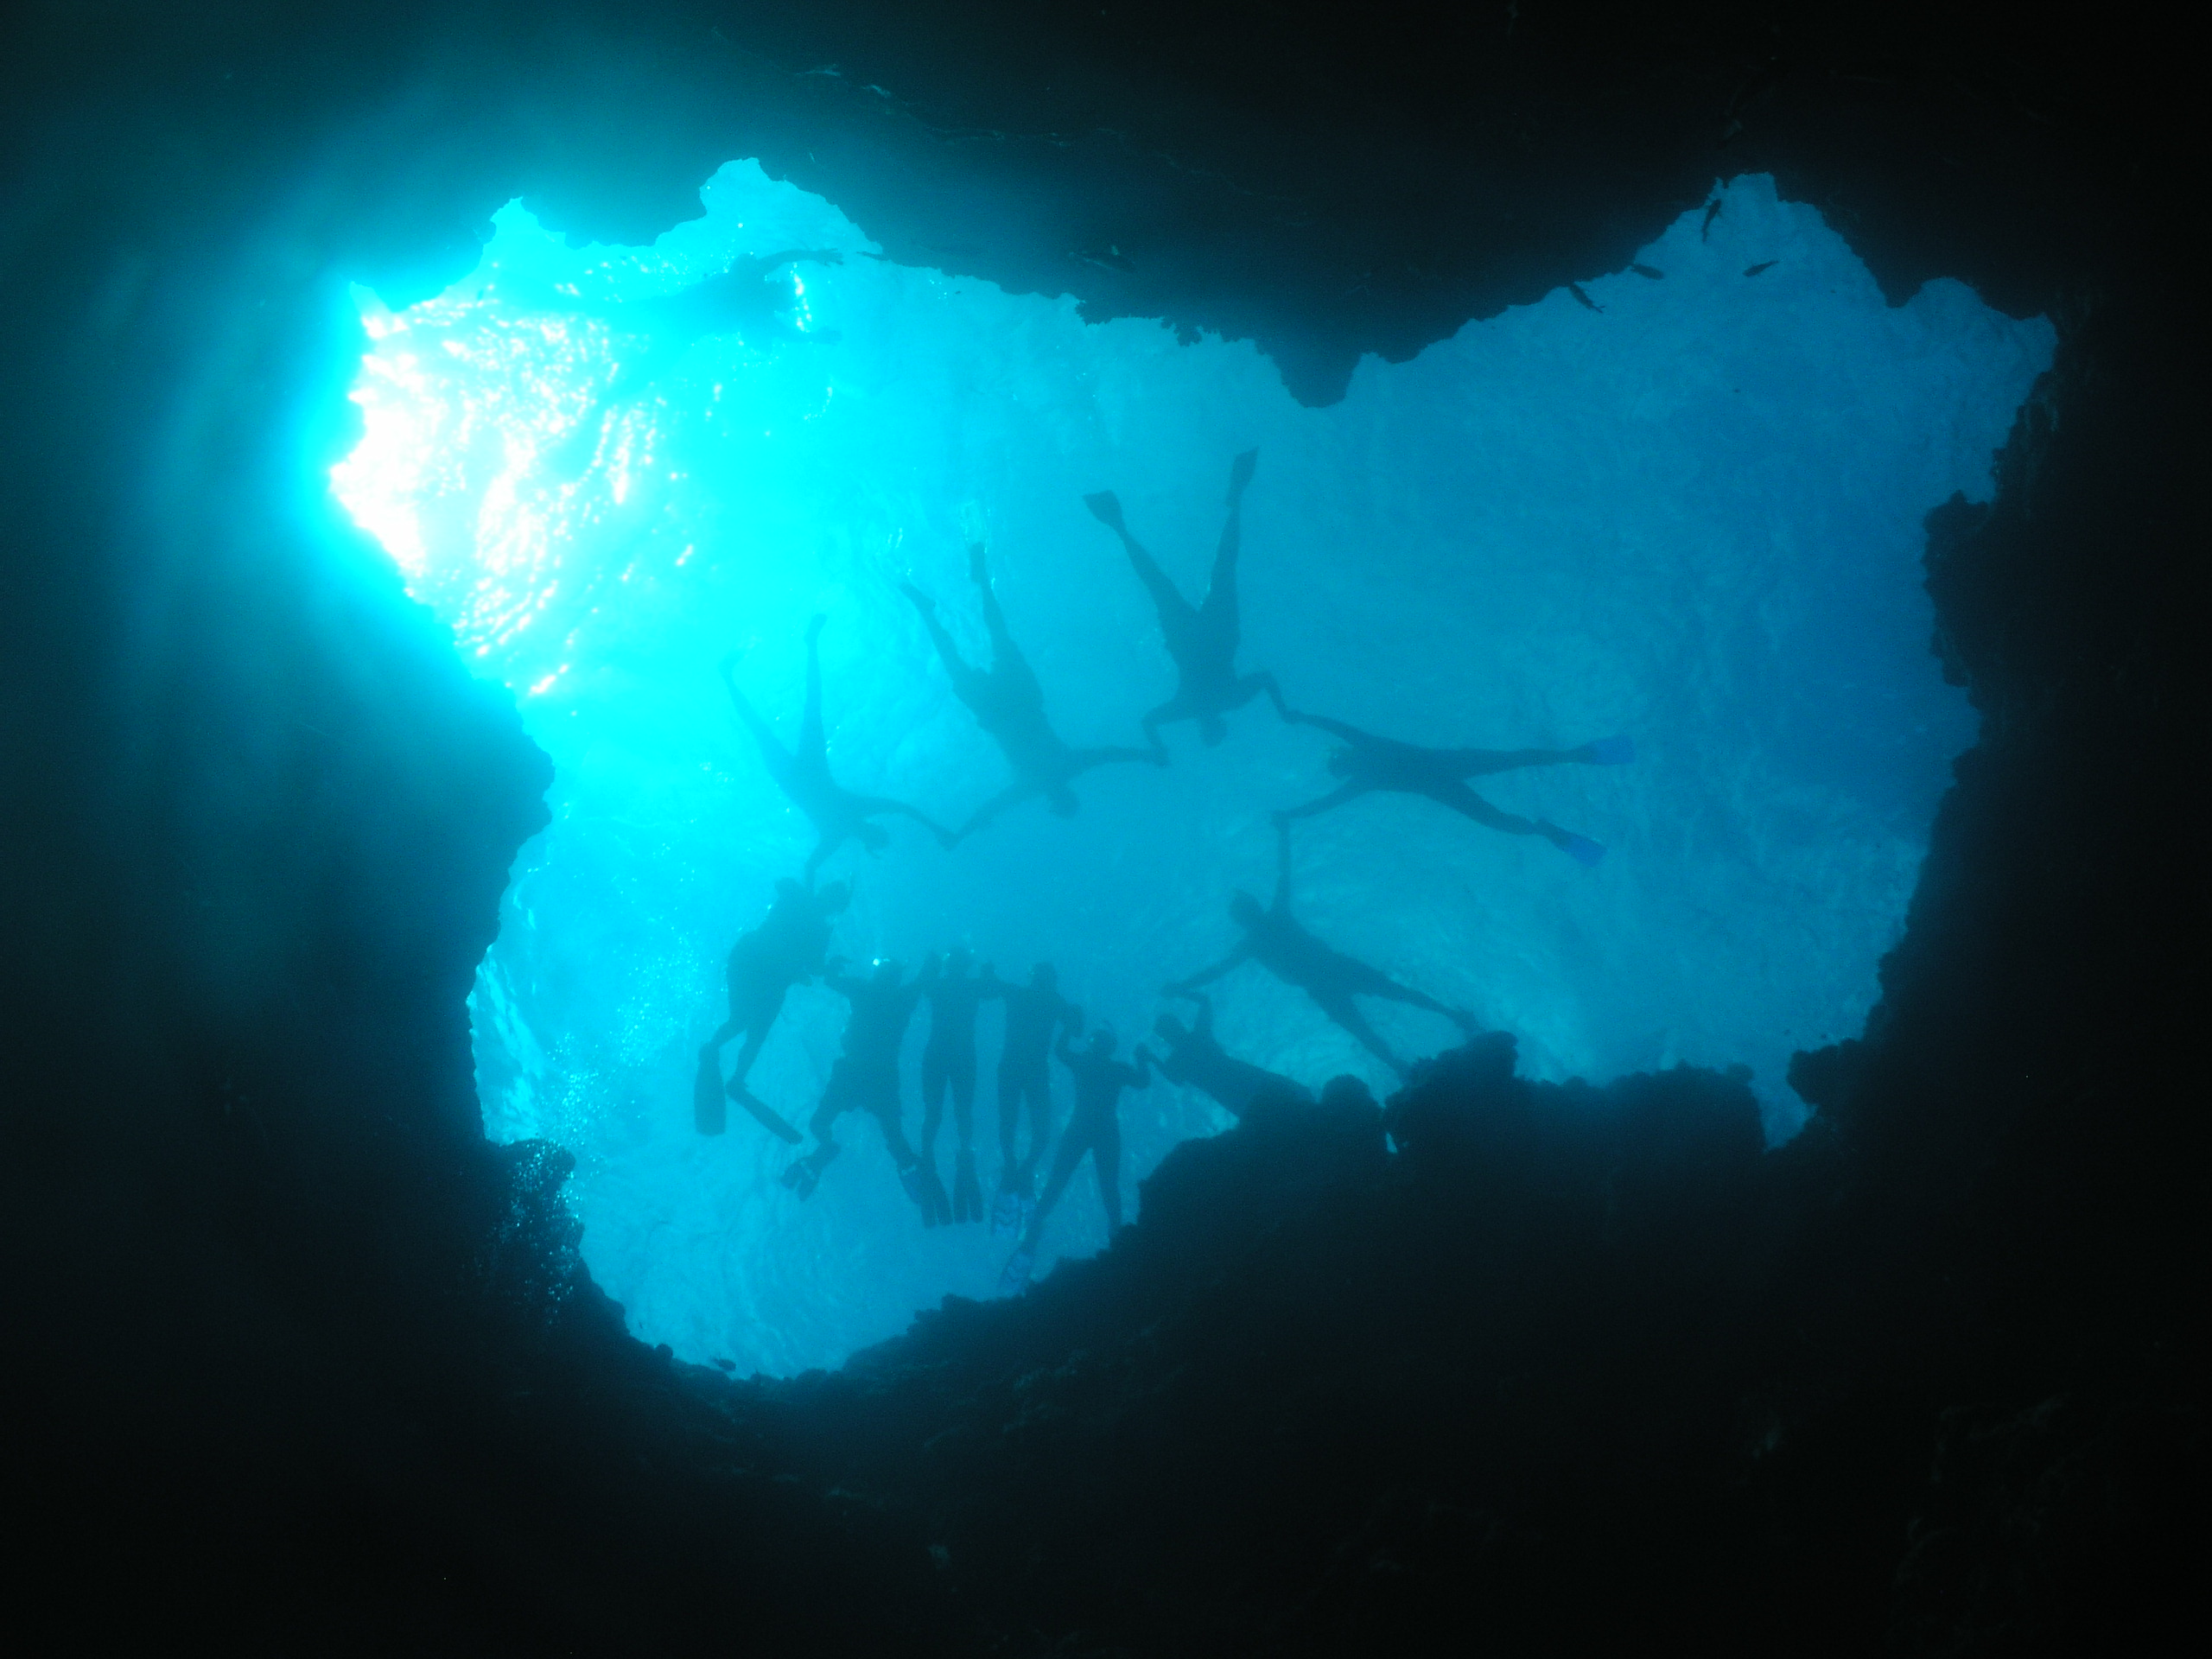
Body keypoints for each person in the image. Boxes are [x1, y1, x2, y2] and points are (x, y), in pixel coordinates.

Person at [1166, 822, 1474, 1079]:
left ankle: (1413, 1052)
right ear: (1250, 913)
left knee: (1374, 1016)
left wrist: (1183, 986)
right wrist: (1284, 833)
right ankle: (1437, 1030)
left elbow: (1218, 969)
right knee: (1385, 1005)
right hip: (1332, 972)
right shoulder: (1270, 923)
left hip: (1328, 976)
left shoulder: (1260, 934)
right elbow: (1283, 876)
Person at [901, 543, 1158, 841]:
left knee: (977, 648)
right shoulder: (1053, 775)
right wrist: (1145, 755)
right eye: (1059, 802)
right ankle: (959, 591)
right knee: (971, 652)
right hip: (1012, 705)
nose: (1054, 798)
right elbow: (1111, 755)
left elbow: (992, 809)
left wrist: (1146, 755)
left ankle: (942, 601)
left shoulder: (1047, 778)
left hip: (1008, 707)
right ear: (1062, 798)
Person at [525, 248, 845, 473]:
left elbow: (780, 261)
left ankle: (543, 301)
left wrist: (814, 255)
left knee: (603, 313)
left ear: (776, 290)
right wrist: (814, 336)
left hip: (669, 314)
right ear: (780, 303)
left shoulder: (750, 280)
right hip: (678, 333)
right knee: (634, 370)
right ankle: (597, 410)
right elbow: (785, 333)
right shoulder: (759, 312)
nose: (777, 285)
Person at [1082, 448, 1288, 755]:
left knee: (1215, 569)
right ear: (1207, 728)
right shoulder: (1193, 708)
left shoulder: (1227, 701)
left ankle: (1236, 499)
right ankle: (1118, 526)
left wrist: (1282, 709)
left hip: (1211, 637)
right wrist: (1158, 749)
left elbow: (1266, 680)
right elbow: (1149, 722)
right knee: (1165, 582)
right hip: (1197, 639)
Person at [721, 614, 952, 880]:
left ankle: (729, 676)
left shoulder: (836, 836)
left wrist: (809, 901)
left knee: (763, 726)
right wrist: (938, 830)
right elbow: (905, 809)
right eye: (877, 832)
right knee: (808, 706)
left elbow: (811, 867)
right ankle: (809, 644)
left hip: (794, 776)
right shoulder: (854, 817)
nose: (873, 830)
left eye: (875, 835)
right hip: (810, 770)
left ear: (869, 838)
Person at [1274, 709, 1632, 866]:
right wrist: (1305, 718)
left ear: (1344, 764)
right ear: (1347, 758)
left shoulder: (1362, 772)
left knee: (1504, 793)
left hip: (1443, 780)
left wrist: (1291, 815)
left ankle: (1551, 824)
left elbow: (1326, 797)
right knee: (1515, 763)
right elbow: (1335, 735)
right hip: (1447, 769)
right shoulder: (1364, 755)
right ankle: (1578, 762)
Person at [696, 877, 849, 1141]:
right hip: (754, 965)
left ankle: (733, 1073)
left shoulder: (815, 921)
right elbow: (782, 884)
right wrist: (800, 894)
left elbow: (813, 968)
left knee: (751, 1029)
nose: (829, 907)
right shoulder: (809, 913)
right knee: (747, 1025)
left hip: (761, 971)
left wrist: (827, 966)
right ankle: (726, 1065)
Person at [1000, 1024, 1152, 1292]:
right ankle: (1116, 1235)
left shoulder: (1083, 1061)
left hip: (1080, 1129)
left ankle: (1031, 1238)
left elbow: (1060, 1050)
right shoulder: (1117, 1069)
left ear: (1095, 1044)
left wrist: (1069, 1028)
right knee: (1107, 1187)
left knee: (1057, 1184)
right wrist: (1142, 1058)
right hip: (1104, 1130)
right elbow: (1143, 1082)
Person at [781, 956, 935, 1202]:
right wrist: (933, 962)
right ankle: (909, 1167)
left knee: (818, 1125)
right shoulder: (902, 998)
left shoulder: (865, 990)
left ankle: (826, 1150)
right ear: (896, 979)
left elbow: (832, 980)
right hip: (881, 1078)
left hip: (851, 1074)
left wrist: (832, 966)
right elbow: (923, 980)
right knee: (894, 1136)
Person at [914, 948, 1005, 1226]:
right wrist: (988, 972)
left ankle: (928, 1157)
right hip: (963, 1055)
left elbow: (921, 984)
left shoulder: (939, 984)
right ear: (966, 966)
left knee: (933, 1113)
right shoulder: (973, 985)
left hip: (938, 1053)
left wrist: (930, 963)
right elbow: (993, 991)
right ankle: (964, 1155)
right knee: (962, 1112)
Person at [992, 962, 1084, 1232]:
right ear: (1051, 980)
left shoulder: (1018, 993)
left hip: (1011, 1068)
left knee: (1010, 1124)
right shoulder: (1053, 1000)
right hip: (1034, 1071)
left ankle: (1012, 1167)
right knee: (1040, 1131)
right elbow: (1077, 1028)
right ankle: (1024, 1170)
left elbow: (991, 985)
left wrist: (987, 972)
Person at [1138, 990, 1314, 1119]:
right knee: (1294, 1096)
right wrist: (1178, 990)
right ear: (1178, 1025)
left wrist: (1151, 1058)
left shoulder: (1177, 1059)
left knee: (1270, 1119)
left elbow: (1176, 1080)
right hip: (1242, 1075)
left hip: (1227, 1093)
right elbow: (1205, 1001)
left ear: (1165, 1038)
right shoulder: (1199, 1035)